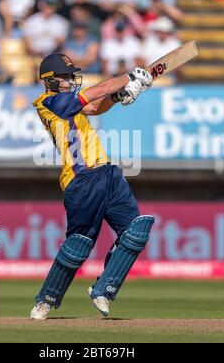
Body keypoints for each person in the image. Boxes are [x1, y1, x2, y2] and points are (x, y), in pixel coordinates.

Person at [31, 52, 155, 320]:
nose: (70, 80)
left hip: (107, 173)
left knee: (136, 231)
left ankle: (103, 290)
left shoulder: (70, 104)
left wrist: (118, 97)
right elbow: (93, 93)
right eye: (65, 77)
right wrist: (129, 77)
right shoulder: (48, 103)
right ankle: (46, 300)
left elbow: (94, 107)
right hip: (81, 179)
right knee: (79, 245)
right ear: (49, 81)